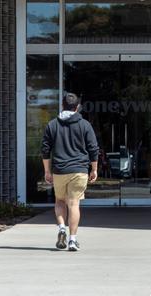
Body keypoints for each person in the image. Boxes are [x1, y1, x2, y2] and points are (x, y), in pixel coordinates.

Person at [41, 93, 99, 252]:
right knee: (74, 204)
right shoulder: (85, 125)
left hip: (59, 169)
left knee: (60, 201)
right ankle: (72, 240)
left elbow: (45, 150)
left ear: (62, 106)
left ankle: (61, 228)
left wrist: (47, 171)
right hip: (79, 170)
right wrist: (94, 169)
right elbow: (93, 149)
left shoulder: (52, 125)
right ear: (77, 107)